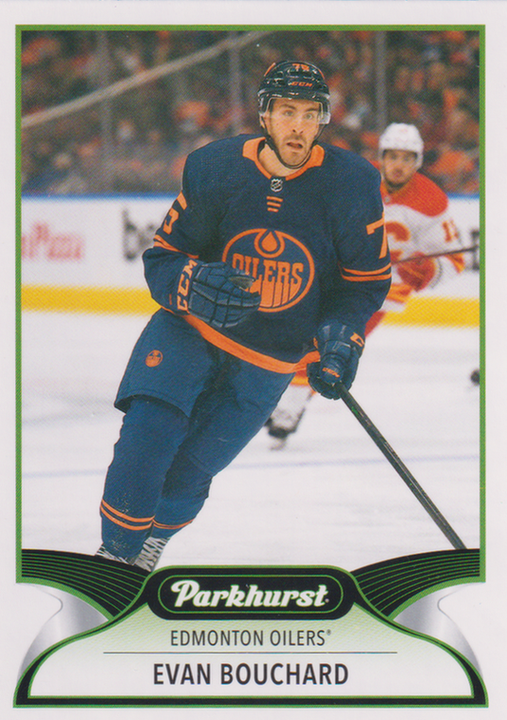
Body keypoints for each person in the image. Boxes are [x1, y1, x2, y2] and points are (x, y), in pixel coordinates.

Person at [95, 61, 391, 572]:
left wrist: (341, 338)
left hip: (270, 357)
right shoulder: (216, 167)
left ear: (323, 120)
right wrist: (189, 281)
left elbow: (363, 284)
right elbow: (164, 257)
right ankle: (113, 557)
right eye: (287, 111)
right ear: (264, 115)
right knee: (148, 434)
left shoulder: (352, 184)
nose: (298, 125)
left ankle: (149, 547)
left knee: (191, 471)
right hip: (190, 330)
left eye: (310, 114)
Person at [266, 122, 464, 445]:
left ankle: (288, 410)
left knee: (328, 346)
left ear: (417, 161)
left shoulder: (431, 200)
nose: (398, 164)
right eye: (393, 156)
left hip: (378, 293)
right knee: (292, 338)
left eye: (407, 158)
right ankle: (281, 400)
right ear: (381, 156)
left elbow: (454, 260)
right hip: (333, 277)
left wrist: (428, 269)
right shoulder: (355, 178)